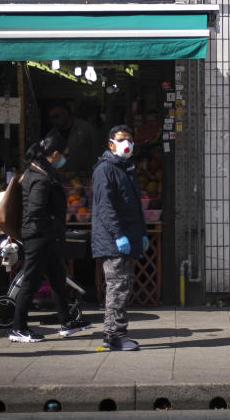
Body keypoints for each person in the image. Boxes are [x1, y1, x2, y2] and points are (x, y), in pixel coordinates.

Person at [9, 133, 92, 342]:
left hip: (45, 236)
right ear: (54, 154)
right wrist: (54, 226)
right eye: (63, 154)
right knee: (30, 282)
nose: (64, 158)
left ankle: (66, 322)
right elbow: (36, 211)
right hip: (38, 237)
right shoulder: (40, 177)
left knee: (57, 279)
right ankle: (18, 328)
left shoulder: (39, 171)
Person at [91, 125, 147, 351]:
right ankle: (115, 335)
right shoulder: (105, 169)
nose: (127, 144)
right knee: (118, 287)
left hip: (126, 237)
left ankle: (112, 334)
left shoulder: (126, 168)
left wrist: (141, 233)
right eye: (122, 139)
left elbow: (134, 206)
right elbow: (106, 207)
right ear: (110, 143)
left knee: (122, 286)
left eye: (130, 140)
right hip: (114, 240)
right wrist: (119, 236)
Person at [47, 103, 101, 176]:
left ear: (66, 113)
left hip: (86, 175)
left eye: (57, 116)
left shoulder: (85, 128)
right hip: (63, 177)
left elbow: (96, 150)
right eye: (52, 118)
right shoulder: (51, 135)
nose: (54, 121)